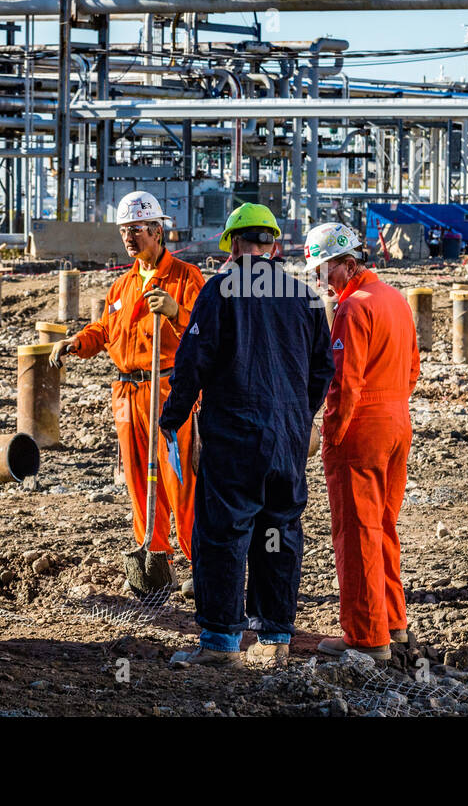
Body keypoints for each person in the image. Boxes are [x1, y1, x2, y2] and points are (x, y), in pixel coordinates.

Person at [159, 203, 334, 668]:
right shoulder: (307, 295)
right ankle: (274, 639)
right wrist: (299, 415)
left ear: (233, 245)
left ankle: (219, 644)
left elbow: (193, 362)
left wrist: (171, 417)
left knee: (223, 533)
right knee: (278, 530)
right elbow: (323, 368)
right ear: (274, 247)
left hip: (236, 438)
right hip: (287, 440)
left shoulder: (220, 291)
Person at [51, 191, 205, 575]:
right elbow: (106, 329)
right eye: (124, 230)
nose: (128, 237)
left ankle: (200, 562)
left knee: (179, 478)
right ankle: (155, 558)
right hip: (127, 392)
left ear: (156, 230)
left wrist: (175, 312)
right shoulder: (122, 287)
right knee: (138, 478)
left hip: (169, 390)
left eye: (136, 229)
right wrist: (79, 342)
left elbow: (207, 333)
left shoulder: (185, 278)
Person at [304, 223, 420, 661]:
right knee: (383, 527)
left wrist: (330, 435)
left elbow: (343, 384)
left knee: (356, 534)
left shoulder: (352, 309)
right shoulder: (394, 299)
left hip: (361, 431)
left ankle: (367, 637)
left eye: (326, 272)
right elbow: (412, 370)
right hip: (396, 422)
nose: (323, 282)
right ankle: (394, 623)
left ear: (348, 264)